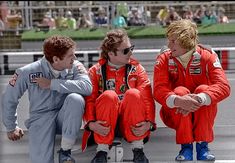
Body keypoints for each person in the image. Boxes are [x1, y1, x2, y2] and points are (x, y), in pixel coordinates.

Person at [2, 35, 92, 163]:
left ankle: (65, 152)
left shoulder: (76, 66)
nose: (75, 58)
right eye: (70, 55)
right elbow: (9, 97)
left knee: (76, 99)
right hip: (40, 119)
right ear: (56, 59)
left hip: (64, 118)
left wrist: (52, 84)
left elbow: (87, 87)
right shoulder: (28, 71)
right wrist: (11, 127)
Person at [153, 19, 230, 161]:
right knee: (180, 91)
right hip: (173, 114)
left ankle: (203, 147)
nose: (168, 45)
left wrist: (200, 99)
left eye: (173, 41)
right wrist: (179, 100)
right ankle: (186, 146)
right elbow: (158, 89)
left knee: (204, 89)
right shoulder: (164, 58)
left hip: (202, 112)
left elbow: (224, 86)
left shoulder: (207, 55)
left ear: (185, 41)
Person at [82, 29, 156, 163]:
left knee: (134, 94)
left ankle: (138, 150)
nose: (131, 52)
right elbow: (90, 100)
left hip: (130, 123)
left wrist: (149, 123)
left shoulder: (137, 69)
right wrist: (91, 123)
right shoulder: (95, 71)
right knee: (109, 95)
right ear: (111, 53)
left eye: (131, 48)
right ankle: (102, 151)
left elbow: (147, 99)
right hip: (104, 124)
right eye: (126, 50)